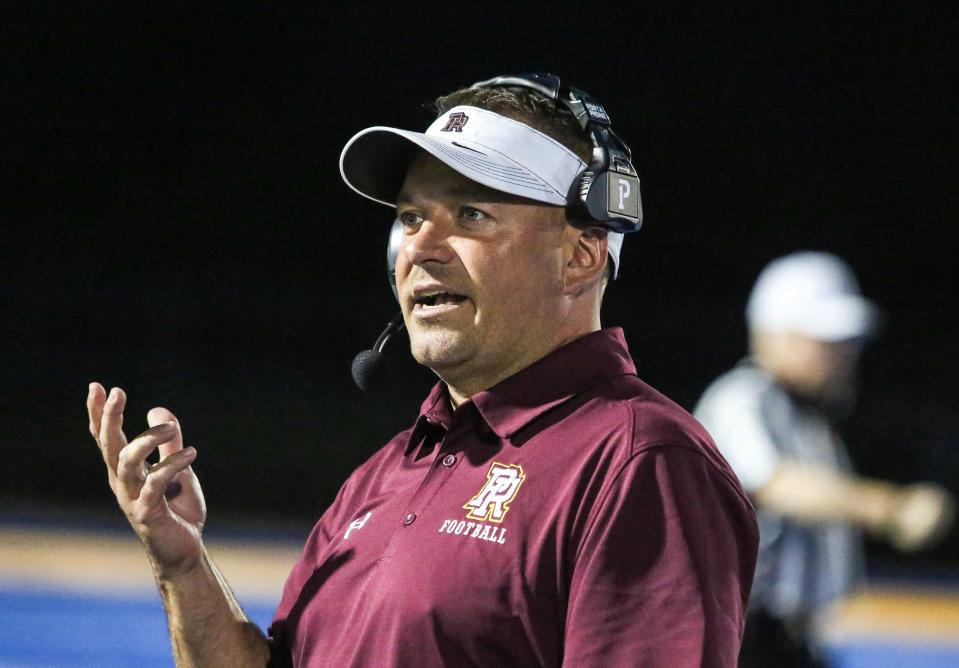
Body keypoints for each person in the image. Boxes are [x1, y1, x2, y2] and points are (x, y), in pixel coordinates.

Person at [87, 73, 759, 667]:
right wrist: (180, 562)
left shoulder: (638, 461)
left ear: (579, 258)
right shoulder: (387, 473)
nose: (422, 248)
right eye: (410, 217)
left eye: (470, 213)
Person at [693, 251, 955, 667]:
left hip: (790, 643)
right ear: (775, 334)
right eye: (827, 342)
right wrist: (891, 507)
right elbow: (775, 483)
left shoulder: (808, 421)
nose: (844, 355)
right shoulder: (741, 399)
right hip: (740, 642)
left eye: (848, 343)